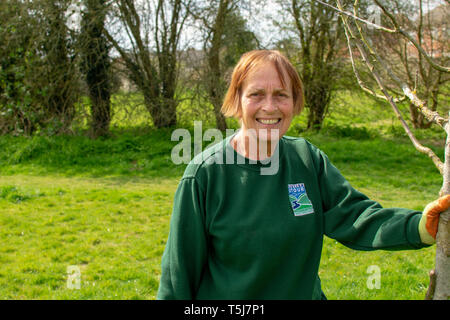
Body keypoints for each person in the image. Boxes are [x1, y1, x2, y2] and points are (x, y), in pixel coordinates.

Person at [156, 49, 449, 300]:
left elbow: (355, 217)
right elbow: (178, 274)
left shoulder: (306, 159)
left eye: (281, 95)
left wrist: (421, 226)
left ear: (295, 103)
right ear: (236, 101)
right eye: (256, 94)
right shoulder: (205, 175)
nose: (269, 107)